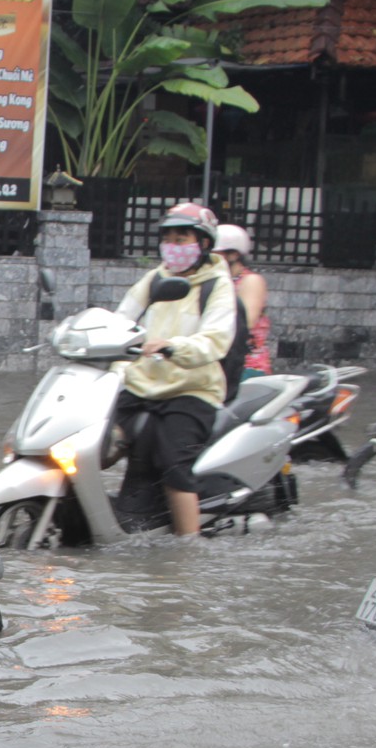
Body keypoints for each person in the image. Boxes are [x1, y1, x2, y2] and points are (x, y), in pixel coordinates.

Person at [112, 202, 239, 536]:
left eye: (182, 239)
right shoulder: (156, 278)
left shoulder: (218, 285)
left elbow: (216, 340)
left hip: (191, 391)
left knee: (173, 464)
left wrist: (172, 346)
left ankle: (187, 549)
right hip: (141, 385)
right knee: (96, 444)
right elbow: (122, 318)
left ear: (204, 244)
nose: (173, 246)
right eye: (168, 238)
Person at [213, 224, 271, 376]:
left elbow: (245, 322)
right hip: (217, 365)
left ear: (233, 255)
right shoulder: (217, 281)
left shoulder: (250, 281)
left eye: (214, 252)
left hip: (245, 365)